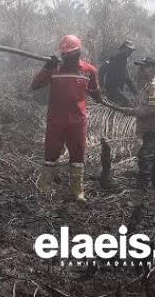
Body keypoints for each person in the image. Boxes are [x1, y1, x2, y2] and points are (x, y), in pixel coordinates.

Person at [31, 35, 102, 202]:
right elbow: (34, 85)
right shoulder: (54, 69)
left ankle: (77, 190)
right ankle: (46, 185)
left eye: (69, 54)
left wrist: (98, 94)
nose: (66, 57)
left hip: (78, 121)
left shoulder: (89, 70)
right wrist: (46, 68)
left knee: (78, 156)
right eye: (64, 54)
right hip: (56, 120)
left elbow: (96, 93)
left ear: (78, 53)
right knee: (51, 153)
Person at [117, 57, 155, 192]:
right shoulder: (150, 85)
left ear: (153, 69)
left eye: (143, 68)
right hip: (152, 129)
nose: (140, 71)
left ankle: (142, 189)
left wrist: (132, 112)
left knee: (145, 156)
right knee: (154, 159)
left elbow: (151, 109)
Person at [99, 40, 138, 107]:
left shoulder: (124, 61)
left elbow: (127, 78)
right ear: (122, 49)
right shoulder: (115, 58)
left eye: (131, 51)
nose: (129, 52)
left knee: (129, 104)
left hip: (118, 90)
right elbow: (102, 70)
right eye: (128, 49)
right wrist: (102, 86)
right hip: (111, 90)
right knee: (127, 105)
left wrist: (135, 93)